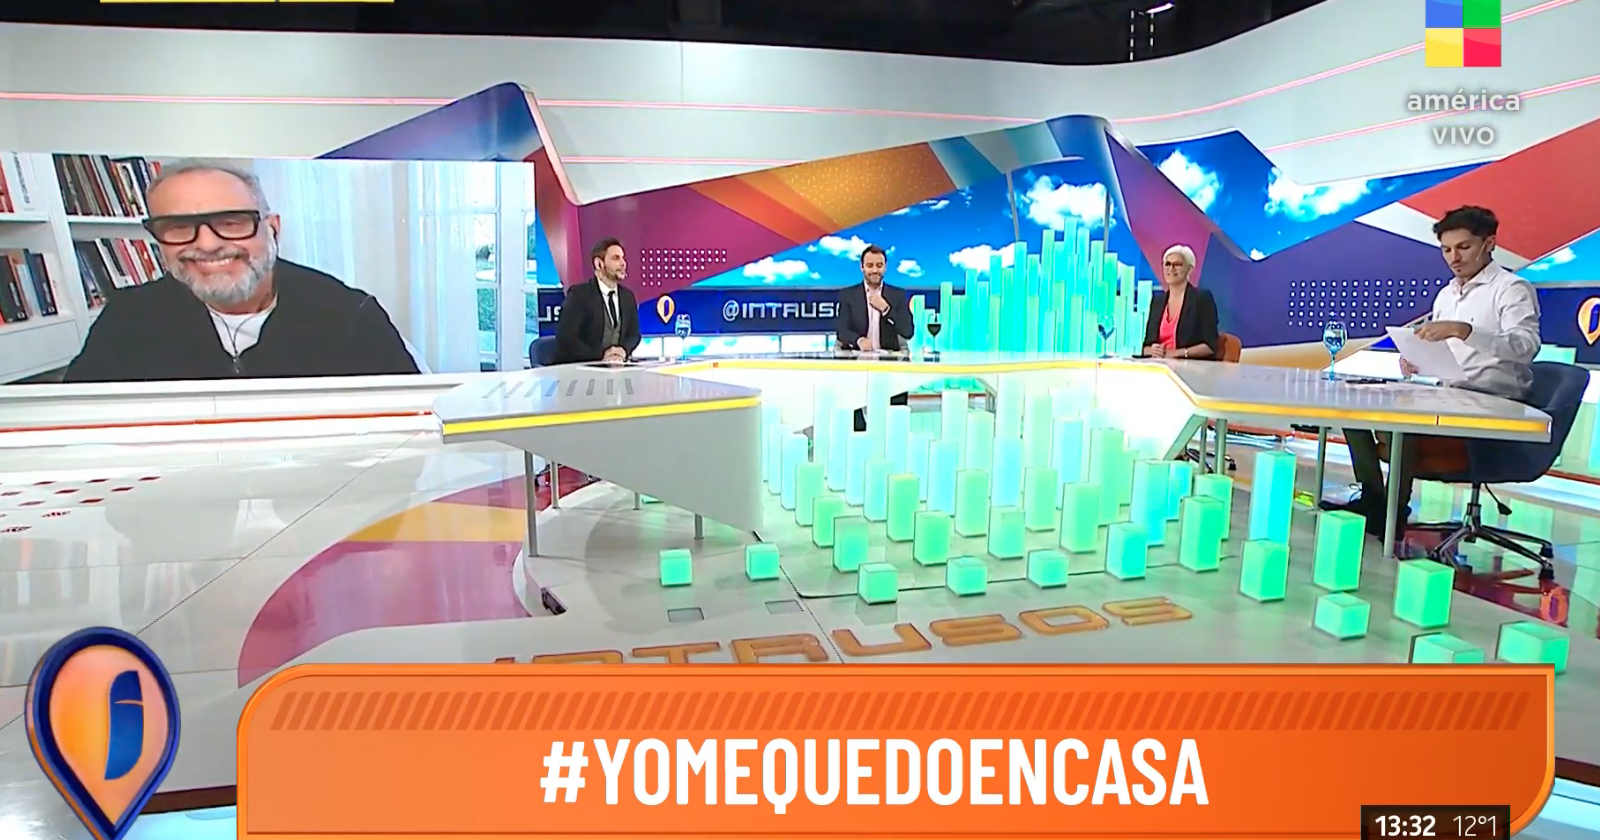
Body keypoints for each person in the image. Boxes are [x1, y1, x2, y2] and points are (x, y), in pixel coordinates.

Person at [63, 160, 419, 383]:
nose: (206, 244)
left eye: (231, 222)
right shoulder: (127, 320)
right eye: (177, 227)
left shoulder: (350, 316)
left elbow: (408, 434)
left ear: (273, 229)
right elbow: (80, 429)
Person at [1325, 205, 1541, 536]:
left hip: (1493, 401)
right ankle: (1374, 499)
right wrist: (1417, 359)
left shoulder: (1511, 288)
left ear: (1489, 243)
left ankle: (1394, 512)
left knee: (1403, 426)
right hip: (1449, 396)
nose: (1454, 257)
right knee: (1353, 412)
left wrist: (1465, 331)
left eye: (1464, 247)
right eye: (1446, 249)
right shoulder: (1446, 295)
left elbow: (1526, 346)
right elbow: (1447, 356)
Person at [835, 244, 913, 431]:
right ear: (862, 267)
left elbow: (908, 331)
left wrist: (886, 309)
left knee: (894, 421)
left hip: (890, 366)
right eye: (870, 265)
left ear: (885, 267)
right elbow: (841, 330)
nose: (875, 270)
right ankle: (858, 435)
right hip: (857, 365)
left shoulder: (897, 295)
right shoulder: (848, 295)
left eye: (879, 265)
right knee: (853, 412)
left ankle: (892, 436)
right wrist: (859, 340)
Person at [554, 237, 640, 365]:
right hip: (582, 369)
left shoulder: (627, 297)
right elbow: (566, 339)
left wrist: (623, 351)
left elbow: (634, 335)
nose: (623, 263)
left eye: (623, 258)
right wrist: (601, 355)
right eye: (616, 258)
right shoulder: (579, 295)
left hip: (618, 368)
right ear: (599, 264)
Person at [1142, 244, 1219, 360]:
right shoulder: (1157, 301)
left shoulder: (1202, 298)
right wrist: (1152, 350)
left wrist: (1178, 353)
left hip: (1189, 365)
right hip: (1158, 363)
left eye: (1177, 264)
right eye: (1167, 264)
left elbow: (1210, 345)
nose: (1171, 268)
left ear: (1190, 269)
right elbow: (1145, 346)